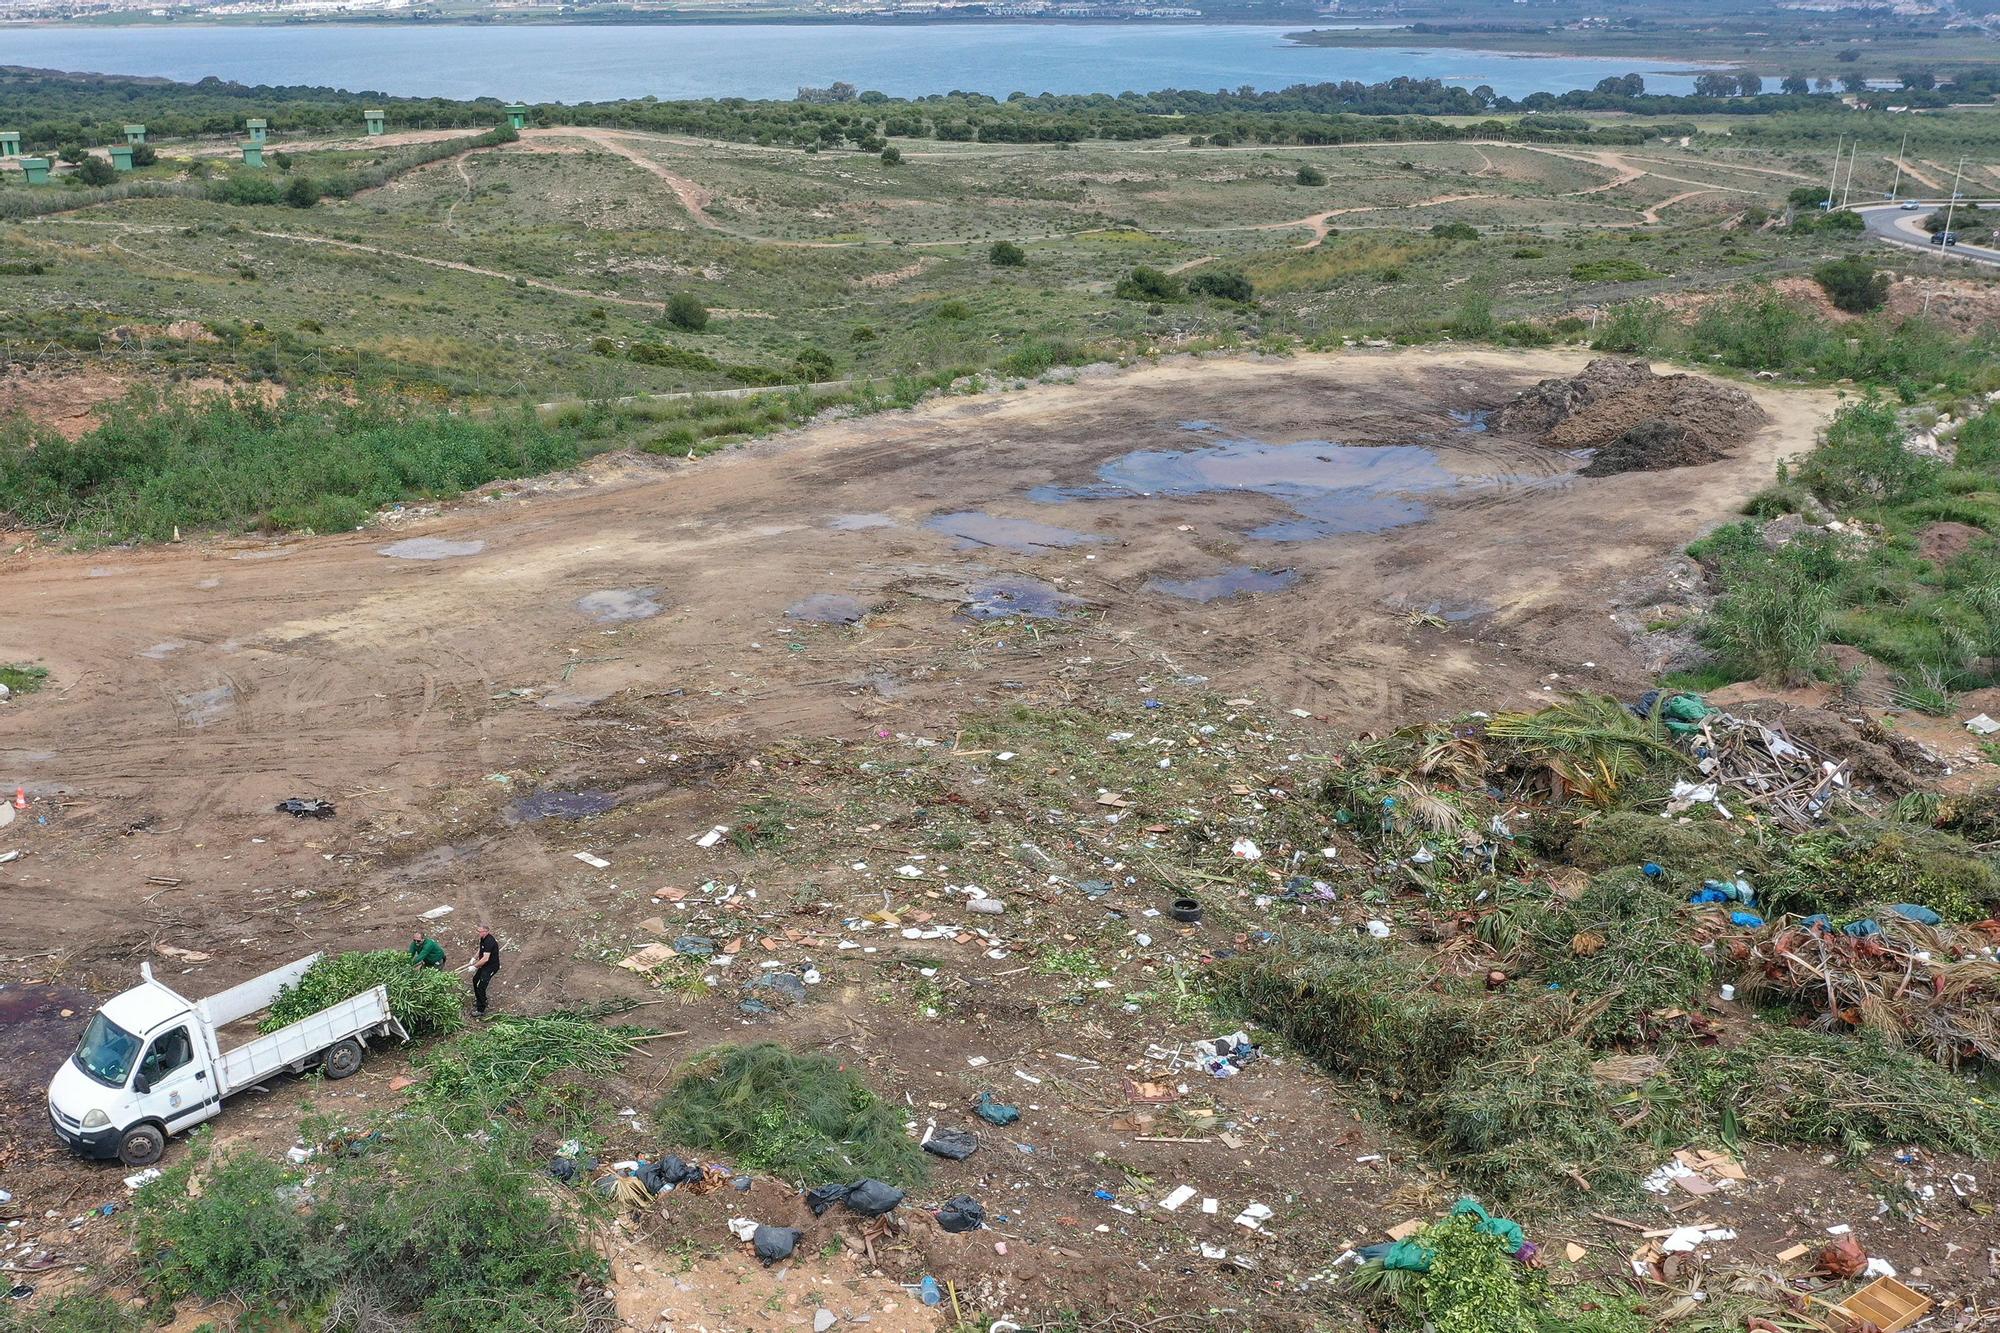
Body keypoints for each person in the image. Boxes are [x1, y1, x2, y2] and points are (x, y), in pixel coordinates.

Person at [469, 926, 502, 1016]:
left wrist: (475, 967)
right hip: (484, 966)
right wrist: (474, 958)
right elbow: (481, 949)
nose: (479, 933)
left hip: (490, 967)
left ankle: (481, 1009)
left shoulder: (489, 941)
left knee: (481, 986)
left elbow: (485, 959)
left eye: (480, 931)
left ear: (486, 931)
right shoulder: (483, 939)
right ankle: (479, 999)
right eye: (478, 931)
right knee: (475, 980)